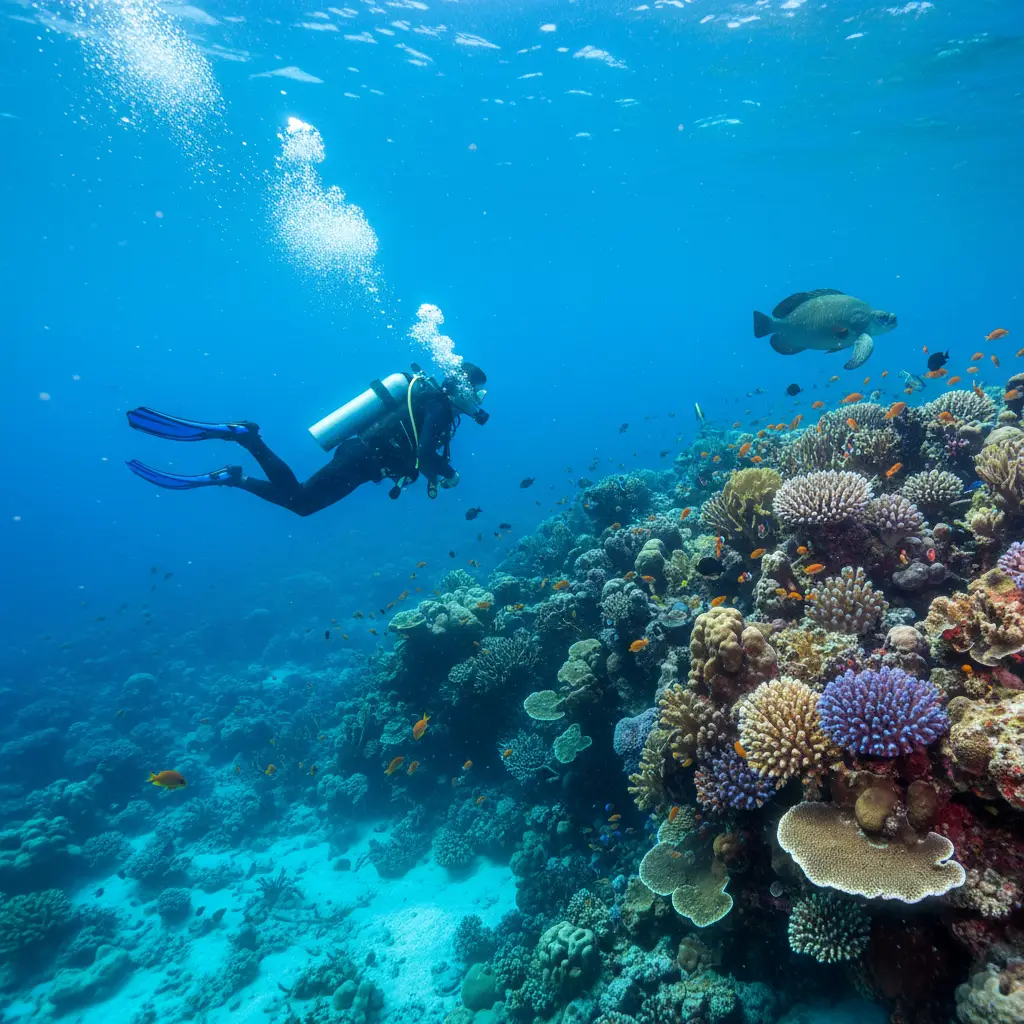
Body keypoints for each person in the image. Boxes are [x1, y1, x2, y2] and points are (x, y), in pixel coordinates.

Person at [125, 363, 489, 517]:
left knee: (302, 505)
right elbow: (424, 450)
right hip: (362, 458)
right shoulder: (439, 406)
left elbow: (417, 451)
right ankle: (248, 440)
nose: (478, 401)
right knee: (299, 500)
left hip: (364, 460)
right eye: (478, 392)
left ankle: (234, 477)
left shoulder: (429, 400)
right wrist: (449, 472)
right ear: (463, 388)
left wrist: (432, 473)